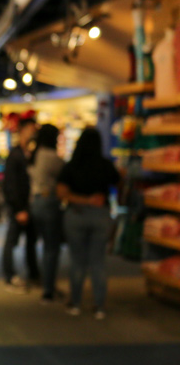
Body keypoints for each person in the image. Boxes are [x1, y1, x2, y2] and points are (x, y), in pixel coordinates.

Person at [56, 127, 120, 320]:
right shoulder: (106, 165)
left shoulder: (71, 166)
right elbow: (118, 182)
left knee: (77, 261)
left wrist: (83, 200)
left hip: (76, 214)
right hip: (101, 215)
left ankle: (75, 302)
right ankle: (99, 305)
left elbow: (62, 193)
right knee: (98, 262)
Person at [2, 118, 39, 293]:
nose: (33, 132)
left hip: (28, 206)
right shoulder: (15, 155)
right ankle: (9, 275)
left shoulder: (29, 154)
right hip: (19, 207)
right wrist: (18, 208)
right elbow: (10, 184)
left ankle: (33, 272)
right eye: (31, 128)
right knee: (12, 241)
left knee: (30, 242)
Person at [30, 124, 65, 302]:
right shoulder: (50, 156)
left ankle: (45, 282)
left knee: (44, 245)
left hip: (36, 202)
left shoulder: (35, 154)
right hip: (48, 202)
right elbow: (65, 172)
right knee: (51, 248)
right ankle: (48, 288)